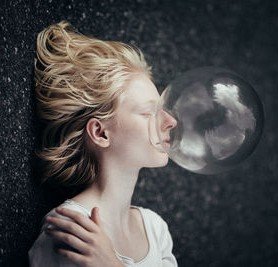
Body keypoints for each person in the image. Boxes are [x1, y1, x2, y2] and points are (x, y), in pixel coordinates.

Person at [28, 20, 178, 267]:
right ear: (101, 133)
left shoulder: (154, 228)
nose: (170, 120)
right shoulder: (72, 229)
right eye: (148, 112)